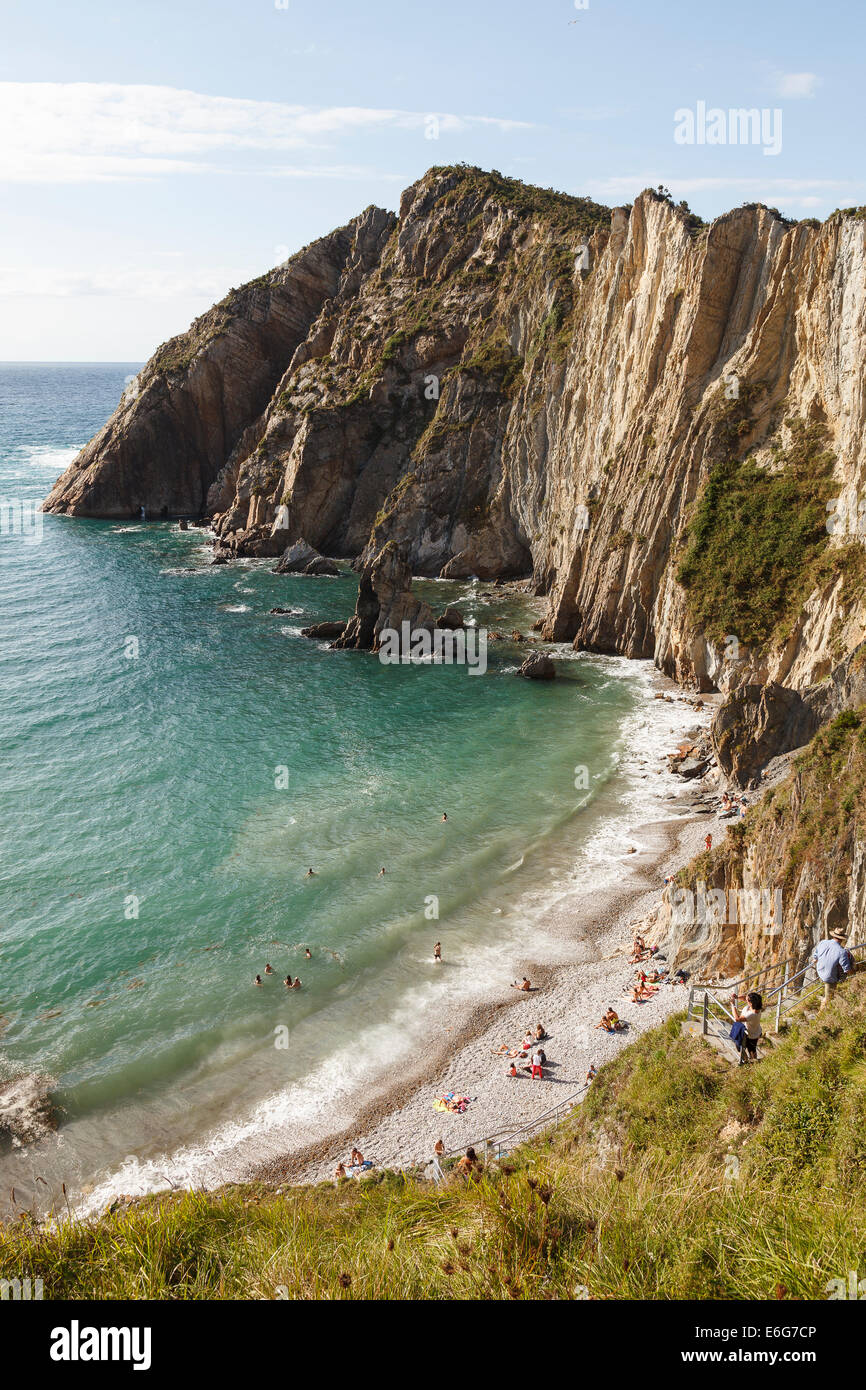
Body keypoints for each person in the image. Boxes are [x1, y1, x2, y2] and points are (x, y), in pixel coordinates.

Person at [813, 927, 855, 1007]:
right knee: (828, 998)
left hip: (820, 971)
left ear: (833, 936)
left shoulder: (823, 942)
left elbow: (815, 956)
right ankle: (821, 1015)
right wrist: (854, 974)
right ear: (842, 939)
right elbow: (846, 969)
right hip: (829, 977)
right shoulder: (841, 951)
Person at [730, 990, 763, 1062]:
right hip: (755, 1031)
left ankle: (752, 1062)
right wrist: (737, 997)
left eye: (747, 1000)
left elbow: (737, 1019)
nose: (745, 999)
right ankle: (747, 1060)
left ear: (751, 1003)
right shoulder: (756, 1006)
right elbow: (745, 998)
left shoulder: (752, 1014)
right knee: (747, 1048)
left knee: (751, 1050)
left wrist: (733, 1005)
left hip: (751, 1035)